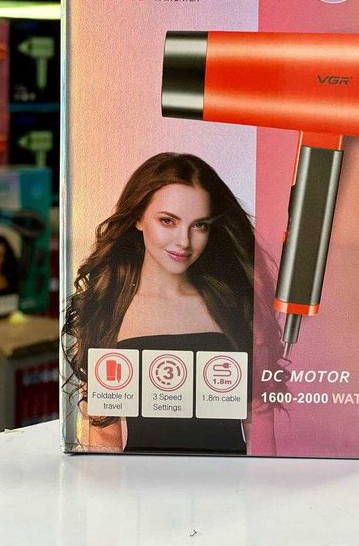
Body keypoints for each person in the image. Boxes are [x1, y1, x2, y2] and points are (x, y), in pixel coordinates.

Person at [63, 153, 283, 453]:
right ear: (138, 218)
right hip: (140, 480)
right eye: (168, 221)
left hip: (229, 479)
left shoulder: (234, 304)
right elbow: (103, 437)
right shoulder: (107, 309)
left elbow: (259, 424)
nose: (184, 241)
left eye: (200, 225)